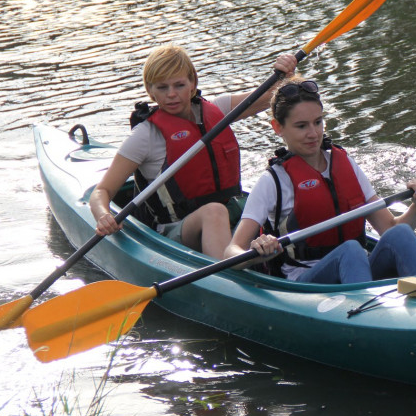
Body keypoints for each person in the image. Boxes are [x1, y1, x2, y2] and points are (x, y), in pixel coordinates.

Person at [89, 44, 297, 257]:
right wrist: (103, 215)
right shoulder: (145, 135)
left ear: (192, 83)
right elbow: (101, 192)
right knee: (213, 211)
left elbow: (273, 95)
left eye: (179, 85)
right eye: (162, 87)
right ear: (150, 90)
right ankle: (231, 274)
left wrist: (285, 74)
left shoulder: (219, 109)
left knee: (277, 201)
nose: (171, 94)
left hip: (229, 214)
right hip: (174, 232)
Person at [223, 78, 416, 284]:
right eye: (301, 126)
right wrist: (259, 250)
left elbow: (389, 227)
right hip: (308, 282)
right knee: (350, 250)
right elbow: (231, 253)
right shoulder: (273, 181)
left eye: (318, 122)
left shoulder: (345, 163)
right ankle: (364, 312)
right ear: (278, 127)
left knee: (401, 233)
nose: (313, 133)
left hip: (358, 271)